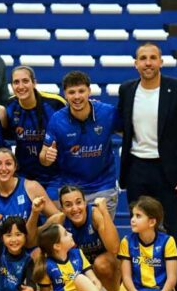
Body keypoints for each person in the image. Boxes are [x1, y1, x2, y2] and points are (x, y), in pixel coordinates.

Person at [118, 42, 177, 291]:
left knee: (176, 232)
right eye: (142, 58)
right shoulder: (127, 90)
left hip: (172, 174)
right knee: (139, 232)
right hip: (137, 170)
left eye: (153, 58)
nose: (148, 63)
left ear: (161, 62)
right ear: (135, 63)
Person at [39, 71, 121, 217]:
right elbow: (44, 159)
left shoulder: (107, 113)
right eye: (72, 92)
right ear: (65, 94)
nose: (77, 97)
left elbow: (128, 134)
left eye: (81, 91)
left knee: (103, 234)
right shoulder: (57, 120)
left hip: (104, 186)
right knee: (70, 238)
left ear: (89, 91)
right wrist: (47, 157)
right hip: (71, 188)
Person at [25, 224, 120, 291]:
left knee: (79, 278)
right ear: (57, 246)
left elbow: (95, 281)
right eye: (66, 234)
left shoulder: (77, 254)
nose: (70, 234)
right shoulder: (47, 266)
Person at [0, 148, 58, 261]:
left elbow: (58, 216)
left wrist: (38, 233)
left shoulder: (32, 187)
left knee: (41, 254)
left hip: (30, 248)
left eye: (8, 164)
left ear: (15, 167)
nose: (3, 168)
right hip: (1, 248)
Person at [45, 186, 122, 291]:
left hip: (103, 269)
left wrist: (105, 212)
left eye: (79, 202)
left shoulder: (95, 215)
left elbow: (114, 249)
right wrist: (35, 213)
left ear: (85, 203)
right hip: (78, 273)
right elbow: (34, 241)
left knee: (102, 263)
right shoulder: (59, 220)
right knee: (39, 255)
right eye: (68, 205)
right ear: (62, 209)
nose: (75, 208)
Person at [5, 66, 66, 201]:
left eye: (25, 81)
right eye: (16, 82)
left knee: (55, 214)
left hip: (54, 175)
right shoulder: (9, 106)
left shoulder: (55, 103)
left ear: (34, 83)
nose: (21, 86)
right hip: (25, 175)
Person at [118, 196, 177, 291]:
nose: (132, 220)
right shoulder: (127, 242)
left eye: (138, 216)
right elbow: (126, 276)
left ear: (151, 222)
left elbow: (172, 277)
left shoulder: (168, 241)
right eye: (133, 215)